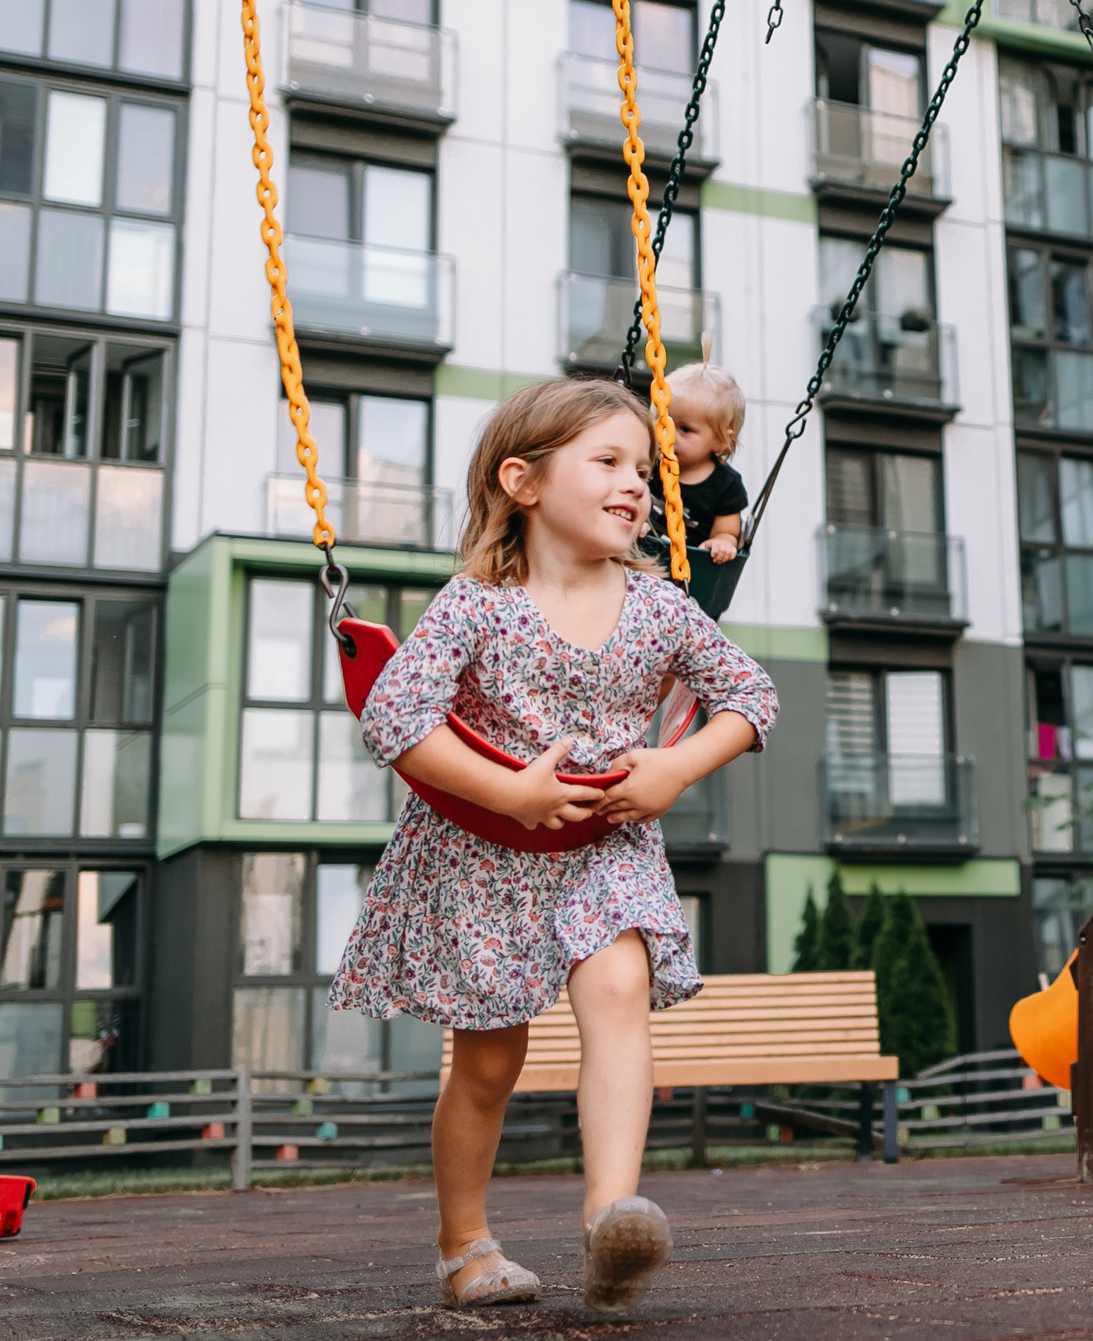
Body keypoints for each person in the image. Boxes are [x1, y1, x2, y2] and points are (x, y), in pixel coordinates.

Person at [327, 379, 779, 1308]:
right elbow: (396, 714)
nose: (636, 486)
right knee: (490, 1060)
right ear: (522, 481)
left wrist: (675, 769)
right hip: (482, 843)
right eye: (608, 462)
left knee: (620, 986)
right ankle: (466, 1242)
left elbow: (751, 697)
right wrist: (512, 791)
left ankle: (611, 1219)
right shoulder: (477, 603)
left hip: (605, 840)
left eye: (643, 470)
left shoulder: (661, 606)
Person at [667, 361, 748, 564]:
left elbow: (728, 532)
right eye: (663, 422)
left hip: (689, 573)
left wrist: (720, 542)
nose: (668, 436)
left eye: (685, 429)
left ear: (721, 440)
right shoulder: (648, 462)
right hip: (640, 560)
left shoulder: (726, 485)